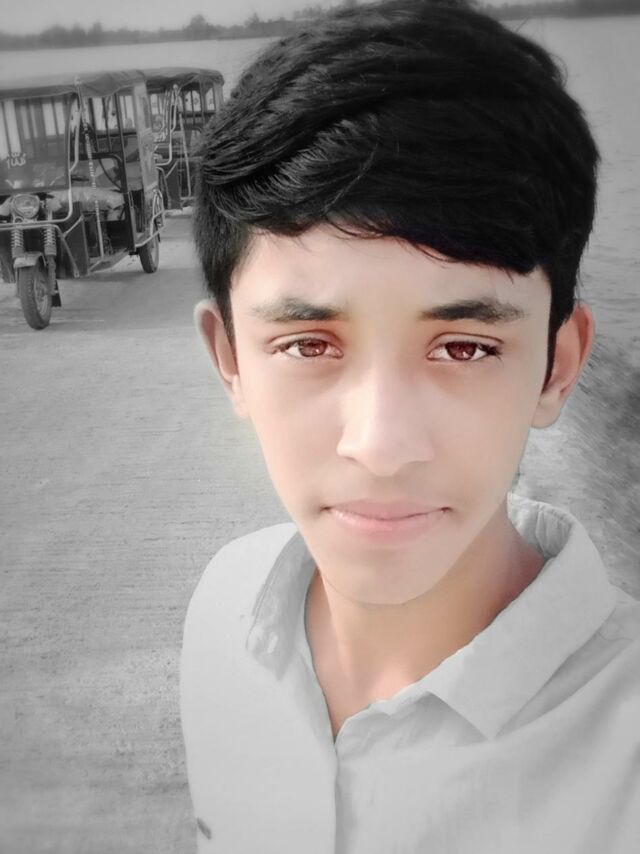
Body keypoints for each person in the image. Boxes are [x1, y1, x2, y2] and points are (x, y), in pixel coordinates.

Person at [181, 1, 640, 851]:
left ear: (557, 367)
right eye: (309, 344)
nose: (382, 445)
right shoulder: (223, 614)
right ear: (231, 360)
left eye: (464, 347)